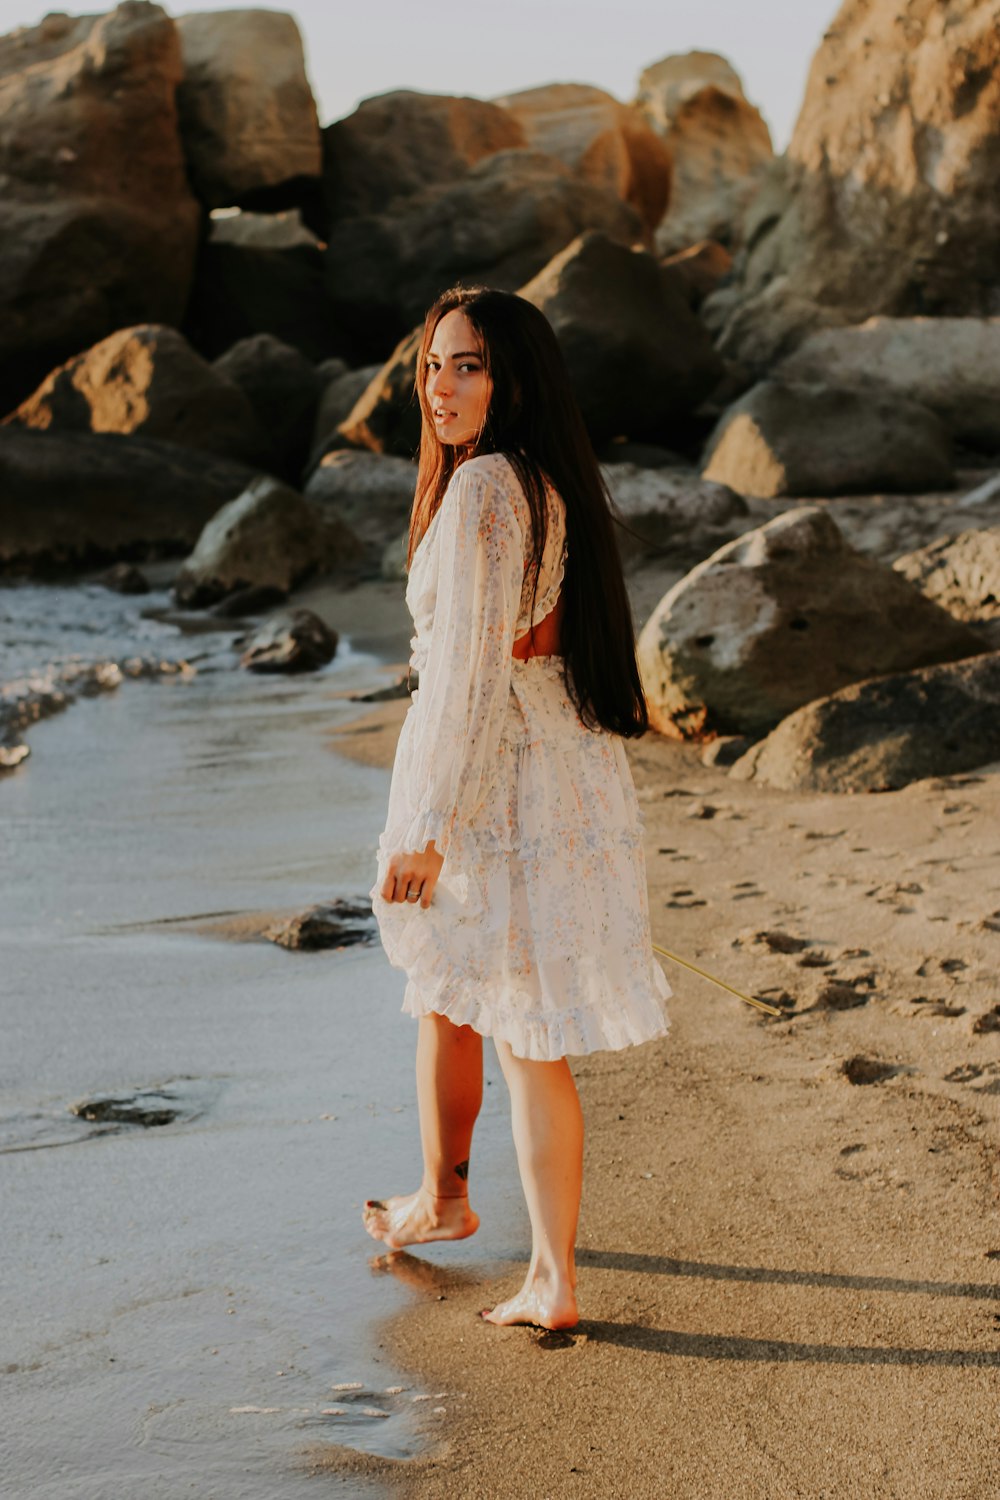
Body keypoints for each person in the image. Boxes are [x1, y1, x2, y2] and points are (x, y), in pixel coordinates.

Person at [364, 285, 671, 1330]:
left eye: (469, 366)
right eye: (432, 367)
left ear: (515, 379)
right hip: (554, 762)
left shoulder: (488, 488)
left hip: (500, 782)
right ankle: (442, 1196)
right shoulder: (544, 482)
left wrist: (427, 831)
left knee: (525, 1029)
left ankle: (551, 1279)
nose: (441, 388)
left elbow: (466, 678)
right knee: (448, 994)